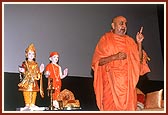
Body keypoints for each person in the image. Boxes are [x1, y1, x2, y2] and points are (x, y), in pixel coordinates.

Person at [91, 16, 151, 111]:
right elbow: (98, 62)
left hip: (128, 85)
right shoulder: (105, 39)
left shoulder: (130, 41)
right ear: (113, 25)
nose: (124, 26)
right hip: (110, 83)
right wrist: (115, 57)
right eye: (121, 23)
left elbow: (138, 61)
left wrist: (139, 43)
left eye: (126, 24)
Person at [18, 43, 44, 110]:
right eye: (30, 53)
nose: (31, 55)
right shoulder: (25, 63)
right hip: (27, 81)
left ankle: (32, 104)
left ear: (34, 55)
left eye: (33, 54)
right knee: (27, 92)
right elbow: (24, 71)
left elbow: (38, 73)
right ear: (27, 55)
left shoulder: (35, 64)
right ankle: (27, 104)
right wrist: (22, 70)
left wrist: (40, 71)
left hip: (34, 81)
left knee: (34, 92)